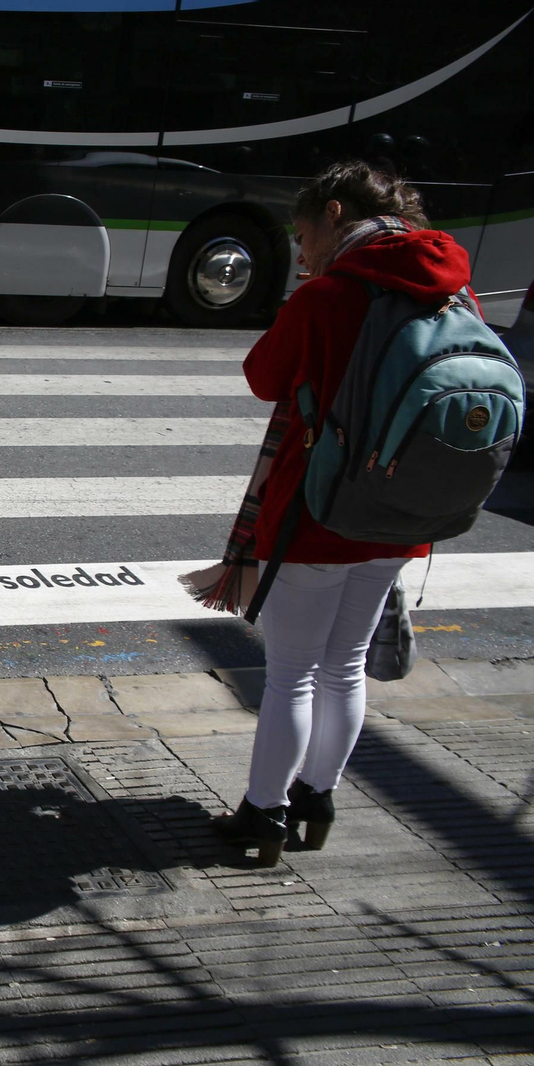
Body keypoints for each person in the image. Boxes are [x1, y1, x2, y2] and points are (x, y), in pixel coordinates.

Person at [210, 162, 468, 866]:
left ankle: (263, 813)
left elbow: (263, 376)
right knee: (345, 666)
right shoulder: (454, 290)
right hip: (406, 511)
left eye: (302, 235)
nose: (300, 252)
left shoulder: (328, 296)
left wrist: (305, 306)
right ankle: (316, 799)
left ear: (334, 214)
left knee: (293, 671)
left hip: (319, 512)